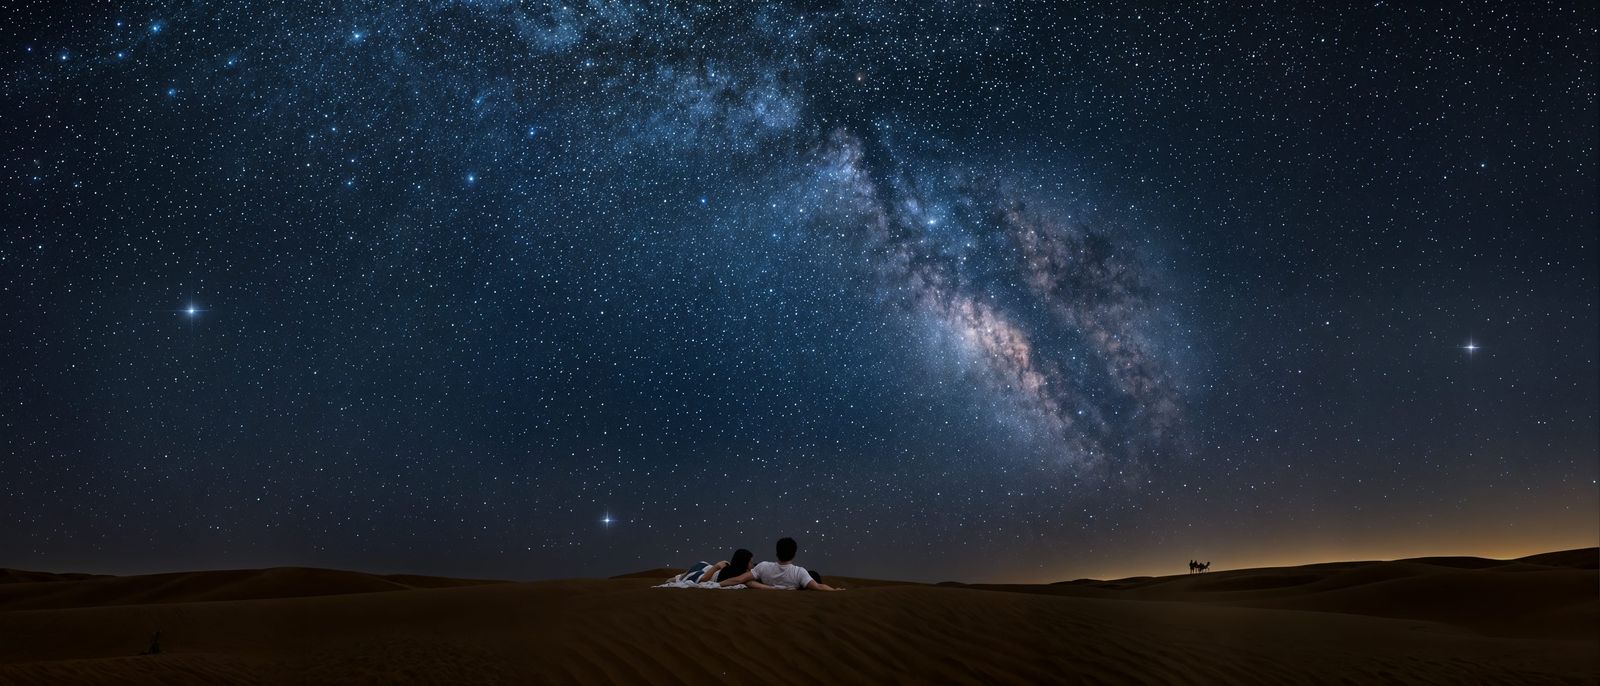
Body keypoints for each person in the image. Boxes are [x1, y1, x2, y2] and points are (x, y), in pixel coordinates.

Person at [719, 537, 841, 590]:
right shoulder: (799, 572)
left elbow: (738, 579)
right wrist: (835, 590)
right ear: (794, 554)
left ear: (777, 553)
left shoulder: (763, 566)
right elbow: (818, 587)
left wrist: (718, 585)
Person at [675, 548, 754, 584]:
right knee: (686, 574)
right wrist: (716, 566)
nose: (752, 564)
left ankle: (681, 576)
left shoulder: (741, 571)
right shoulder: (731, 571)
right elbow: (703, 579)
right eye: (750, 562)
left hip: (711, 569)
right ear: (743, 562)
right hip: (704, 573)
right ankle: (679, 577)